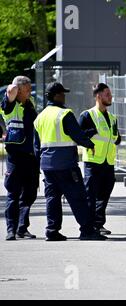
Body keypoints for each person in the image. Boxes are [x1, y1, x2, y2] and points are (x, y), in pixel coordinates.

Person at [34, 82, 107, 241]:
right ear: (55, 96)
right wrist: (90, 144)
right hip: (66, 164)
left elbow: (36, 145)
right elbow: (77, 135)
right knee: (78, 198)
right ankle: (87, 231)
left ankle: (52, 231)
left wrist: (38, 164)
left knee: (52, 199)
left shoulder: (40, 117)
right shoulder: (64, 114)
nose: (64, 96)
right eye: (62, 93)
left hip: (48, 165)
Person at [1, 76, 39, 240]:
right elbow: (11, 90)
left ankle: (22, 228)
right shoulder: (9, 105)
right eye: (28, 89)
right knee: (13, 194)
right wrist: (15, 86)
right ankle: (11, 229)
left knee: (30, 194)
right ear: (19, 90)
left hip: (31, 156)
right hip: (16, 157)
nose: (30, 92)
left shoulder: (30, 105)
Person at [79, 83, 121, 235]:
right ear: (98, 96)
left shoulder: (112, 117)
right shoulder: (87, 115)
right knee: (90, 196)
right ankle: (88, 226)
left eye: (110, 94)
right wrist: (91, 142)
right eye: (107, 94)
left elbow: (116, 138)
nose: (110, 97)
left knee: (104, 196)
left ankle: (98, 224)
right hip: (93, 161)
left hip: (108, 162)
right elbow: (80, 135)